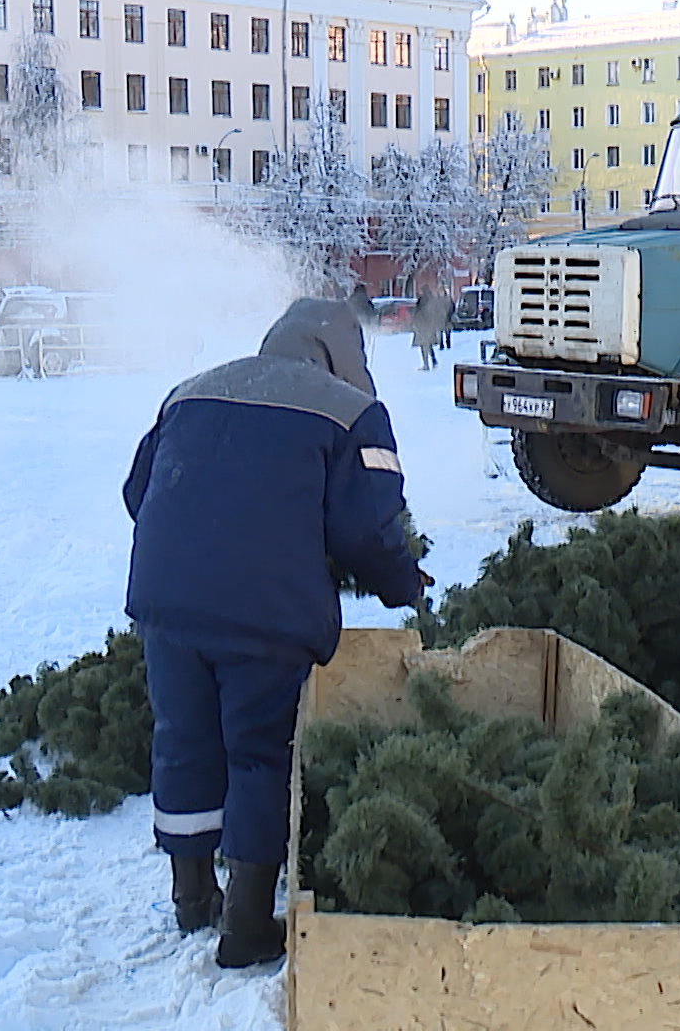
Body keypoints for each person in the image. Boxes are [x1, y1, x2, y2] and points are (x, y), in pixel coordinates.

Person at [122, 298, 428, 969]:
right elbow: (368, 529)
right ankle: (247, 923)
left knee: (184, 738)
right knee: (261, 752)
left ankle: (191, 894)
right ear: (345, 358)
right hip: (266, 612)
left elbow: (137, 491)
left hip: (166, 602)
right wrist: (405, 583)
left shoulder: (189, 392)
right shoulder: (350, 412)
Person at [409, 289, 445, 371]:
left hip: (422, 327)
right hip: (429, 327)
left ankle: (426, 364)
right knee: (429, 345)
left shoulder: (421, 302)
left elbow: (417, 314)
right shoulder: (432, 302)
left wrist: (415, 324)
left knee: (423, 345)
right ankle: (433, 360)